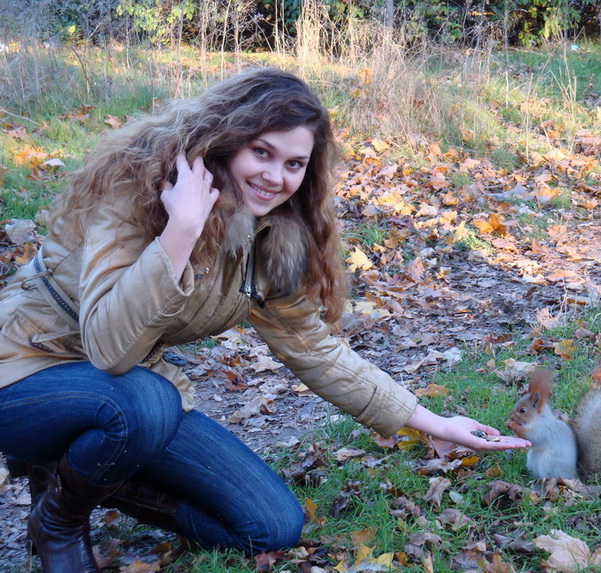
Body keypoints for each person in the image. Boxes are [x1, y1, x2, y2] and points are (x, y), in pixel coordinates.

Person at [0, 67, 530, 573]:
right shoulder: (140, 192)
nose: (276, 177)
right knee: (146, 400)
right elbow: (109, 349)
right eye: (262, 153)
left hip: (128, 391)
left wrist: (432, 423)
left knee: (270, 525)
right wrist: (180, 232)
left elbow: (315, 348)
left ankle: (74, 473)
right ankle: (60, 522)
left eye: (294, 164)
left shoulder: (271, 237)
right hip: (27, 367)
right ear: (228, 141)